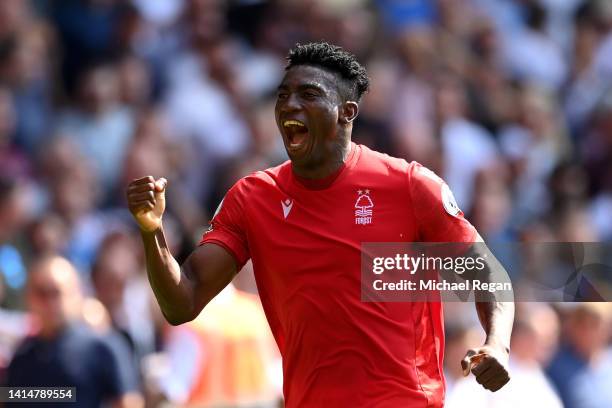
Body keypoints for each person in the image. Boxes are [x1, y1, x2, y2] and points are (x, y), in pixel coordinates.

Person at [126, 42, 514, 407]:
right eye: (282, 96)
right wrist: (151, 231)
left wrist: (497, 344)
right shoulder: (253, 198)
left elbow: (487, 274)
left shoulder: (409, 186)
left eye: (308, 95)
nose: (289, 106)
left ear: (347, 112)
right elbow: (183, 302)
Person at [4, 255, 143, 408]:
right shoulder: (22, 357)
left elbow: (129, 402)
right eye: (42, 293)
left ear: (76, 293)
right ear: (29, 298)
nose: (50, 302)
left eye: (57, 292)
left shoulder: (103, 348)